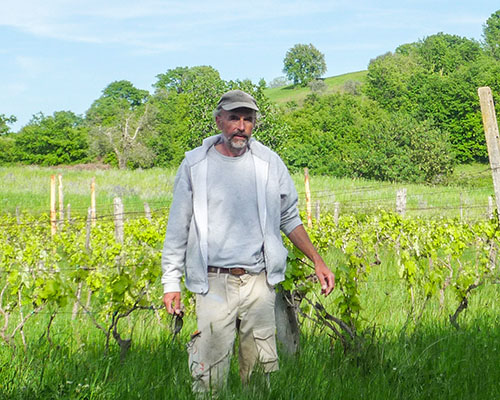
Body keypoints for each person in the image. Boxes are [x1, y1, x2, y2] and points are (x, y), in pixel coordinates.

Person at [161, 89, 335, 393]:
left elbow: (289, 217)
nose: (241, 126)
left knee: (259, 375)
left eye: (248, 119)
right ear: (219, 121)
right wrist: (170, 282)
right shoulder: (195, 165)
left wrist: (317, 260)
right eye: (234, 118)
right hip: (213, 284)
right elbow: (178, 227)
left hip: (258, 282)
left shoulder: (269, 163)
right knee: (208, 374)